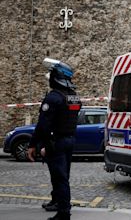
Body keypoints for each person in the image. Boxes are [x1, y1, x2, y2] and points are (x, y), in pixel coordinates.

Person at [27, 58, 81, 220]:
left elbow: (43, 125)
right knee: (63, 175)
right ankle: (57, 201)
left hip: (56, 142)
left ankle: (63, 212)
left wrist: (34, 145)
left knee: (59, 177)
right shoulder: (74, 97)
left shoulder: (53, 98)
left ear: (55, 78)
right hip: (70, 140)